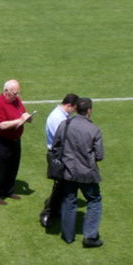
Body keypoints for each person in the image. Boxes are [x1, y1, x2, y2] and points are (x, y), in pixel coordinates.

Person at [54, 98, 104, 248]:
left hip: (68, 172)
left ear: (76, 109)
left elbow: (56, 146)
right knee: (94, 201)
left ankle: (68, 236)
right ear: (89, 110)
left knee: (69, 201)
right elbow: (99, 155)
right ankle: (90, 237)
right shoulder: (94, 129)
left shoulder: (65, 124)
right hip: (87, 173)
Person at [0, 79, 33, 205]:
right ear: (6, 91)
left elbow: (23, 113)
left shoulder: (16, 101)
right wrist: (19, 120)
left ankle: (8, 190)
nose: (17, 96)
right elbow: (2, 125)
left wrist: (28, 118)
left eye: (18, 93)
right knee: (0, 169)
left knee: (13, 167)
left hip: (15, 140)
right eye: (15, 93)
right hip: (1, 141)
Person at [40, 93, 79, 227]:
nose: (74, 112)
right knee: (60, 186)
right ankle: (47, 213)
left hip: (59, 154)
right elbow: (62, 139)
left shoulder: (60, 116)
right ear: (69, 105)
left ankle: (54, 209)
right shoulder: (58, 118)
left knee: (61, 185)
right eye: (74, 109)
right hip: (58, 155)